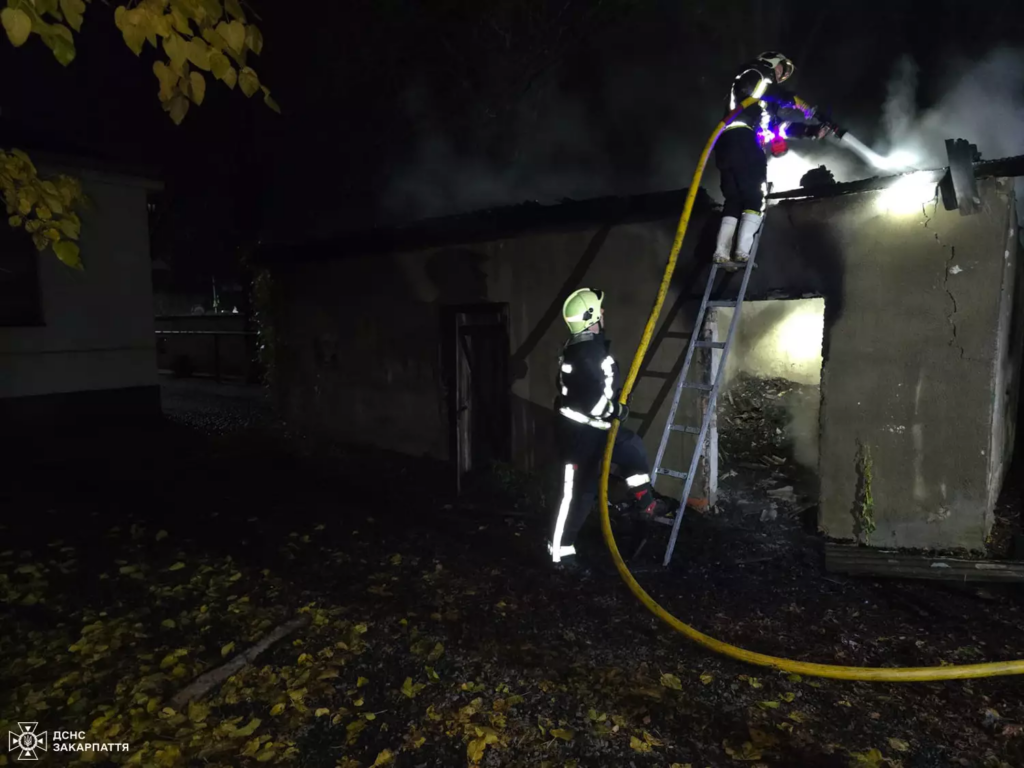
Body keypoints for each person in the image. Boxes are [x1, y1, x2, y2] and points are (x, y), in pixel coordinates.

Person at [548, 288, 667, 568]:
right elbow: (593, 403)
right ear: (590, 317)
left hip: (593, 430)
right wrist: (617, 410)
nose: (603, 312)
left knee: (631, 448)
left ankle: (645, 502)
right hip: (579, 436)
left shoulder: (586, 348)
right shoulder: (586, 353)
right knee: (577, 496)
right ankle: (559, 554)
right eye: (599, 309)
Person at [714, 51, 834, 264]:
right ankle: (742, 252)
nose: (781, 75)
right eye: (781, 69)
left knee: (734, 199)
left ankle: (721, 253)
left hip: (727, 142)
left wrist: (811, 130)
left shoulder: (759, 103)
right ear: (771, 62)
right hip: (745, 140)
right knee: (755, 196)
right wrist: (791, 99)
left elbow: (777, 127)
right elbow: (756, 89)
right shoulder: (755, 74)